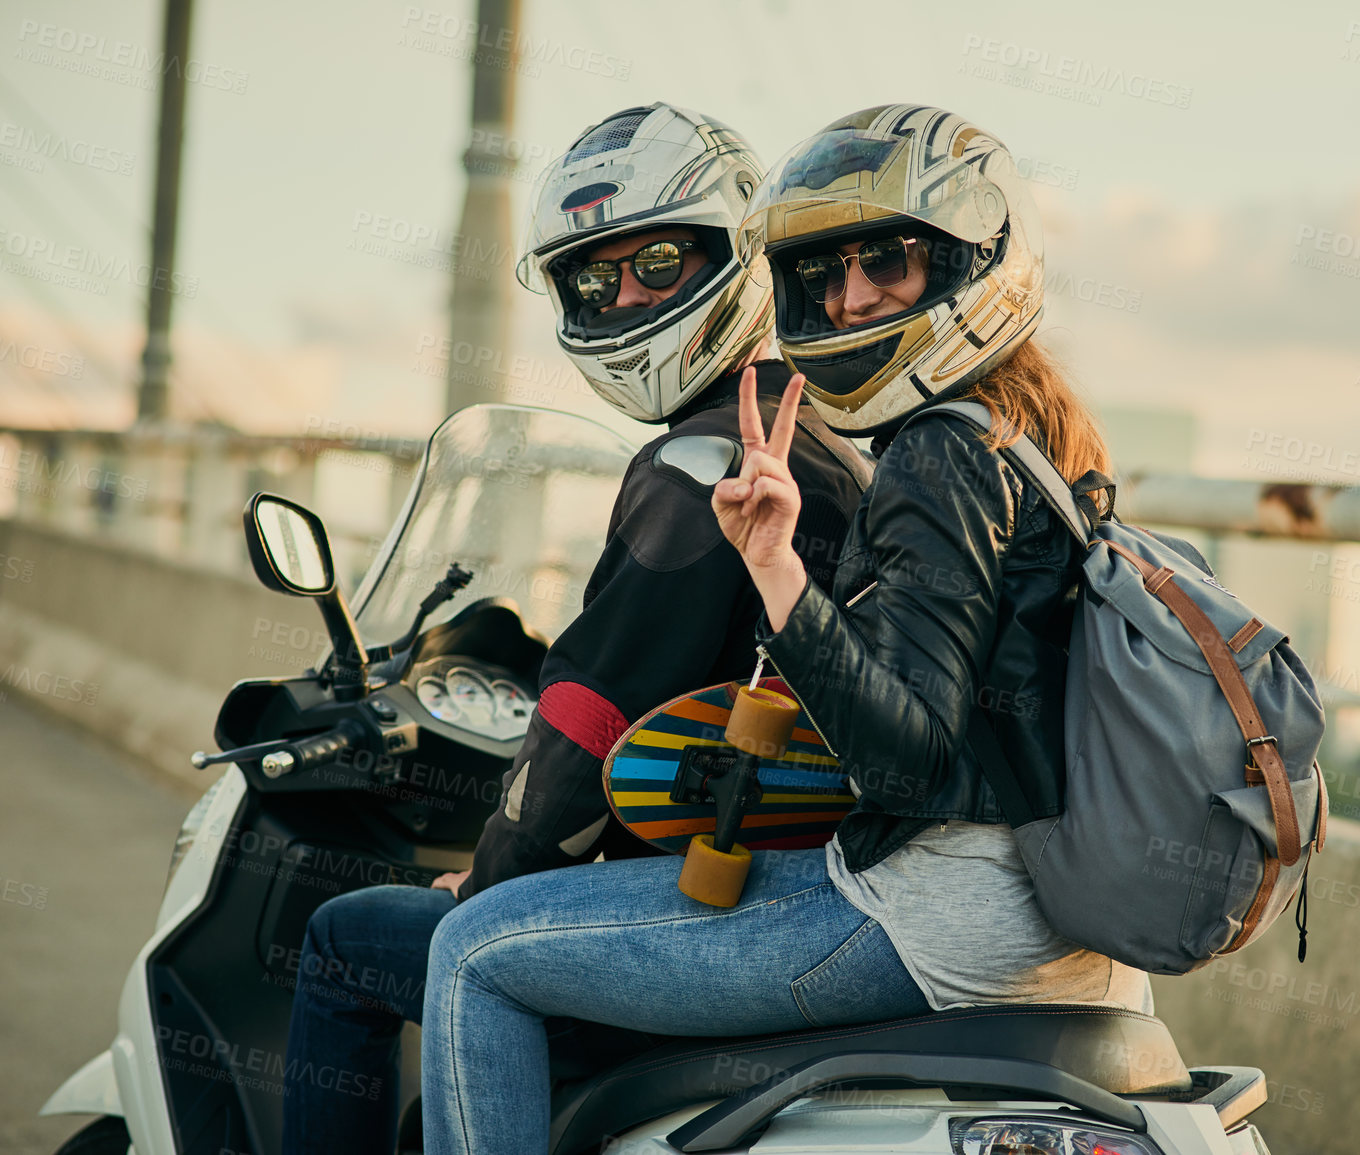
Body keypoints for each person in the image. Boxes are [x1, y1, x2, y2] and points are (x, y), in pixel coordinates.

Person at [418, 105, 1148, 1155]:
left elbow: (909, 757)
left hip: (937, 918)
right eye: (827, 272)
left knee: (475, 951)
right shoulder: (1034, 437)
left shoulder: (943, 456)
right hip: (1053, 926)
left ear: (969, 261)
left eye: (887, 263)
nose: (850, 298)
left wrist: (776, 577)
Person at [280, 103, 871, 1155]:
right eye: (594, 281)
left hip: (724, 906)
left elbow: (589, 715)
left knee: (343, 942)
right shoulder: (816, 436)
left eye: (657, 260)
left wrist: (495, 881)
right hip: (812, 886)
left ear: (737, 253)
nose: (628, 296)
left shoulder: (702, 463)